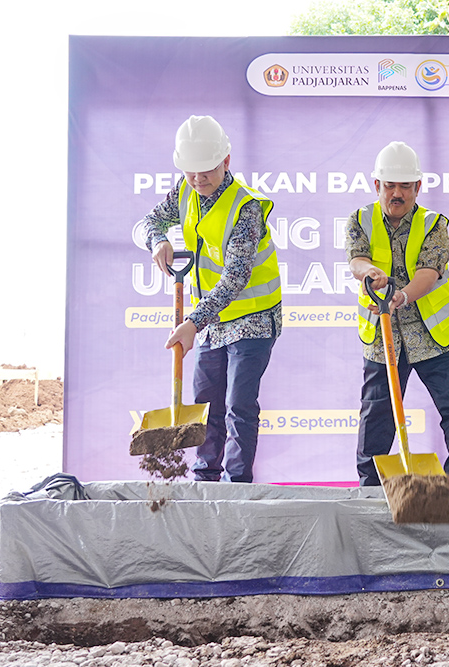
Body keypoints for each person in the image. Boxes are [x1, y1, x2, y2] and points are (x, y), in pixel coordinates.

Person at [140, 115, 281, 483]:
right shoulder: (185, 189)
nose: (198, 179)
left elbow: (235, 278)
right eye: (190, 172)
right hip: (211, 323)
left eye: (206, 171)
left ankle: (236, 487)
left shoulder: (246, 208)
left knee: (238, 406)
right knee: (206, 404)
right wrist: (158, 240)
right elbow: (149, 222)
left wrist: (192, 323)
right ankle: (205, 480)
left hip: (253, 320)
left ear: (226, 161)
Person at [345, 141, 449, 486]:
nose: (397, 194)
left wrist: (401, 296)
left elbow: (429, 272)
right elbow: (356, 260)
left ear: (418, 187)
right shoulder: (360, 220)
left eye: (405, 186)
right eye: (390, 186)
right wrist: (370, 273)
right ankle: (371, 487)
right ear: (378, 185)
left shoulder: (434, 224)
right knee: (376, 414)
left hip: (436, 334)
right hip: (383, 335)